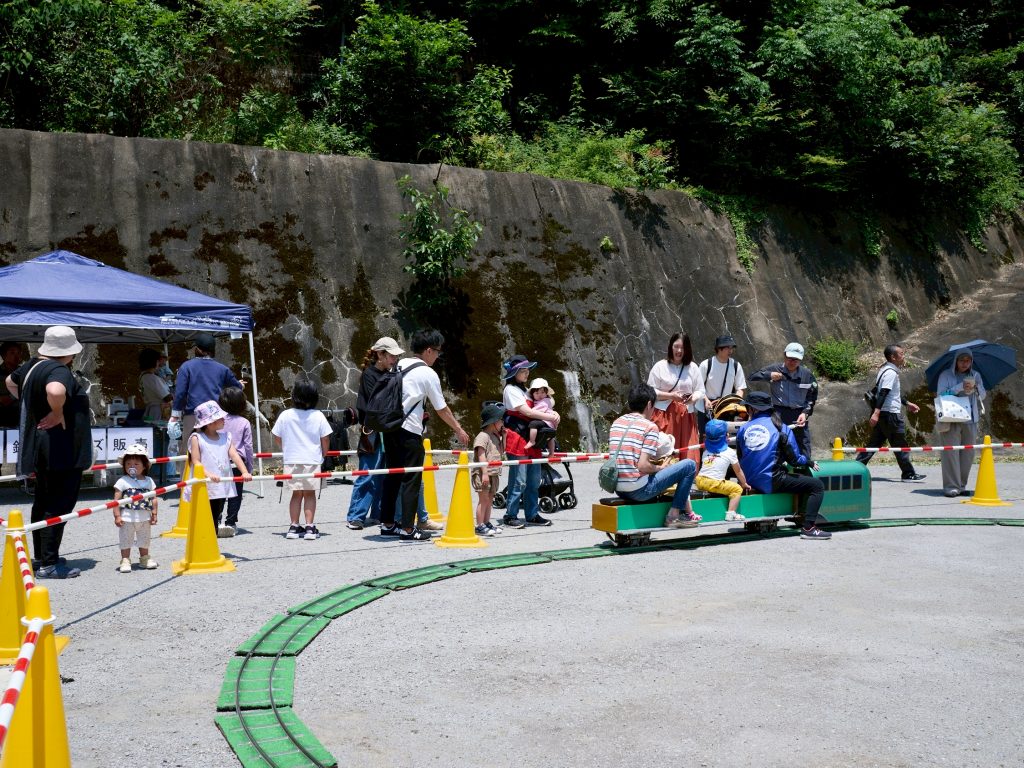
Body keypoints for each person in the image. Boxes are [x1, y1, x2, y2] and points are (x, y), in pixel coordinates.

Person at [6, 326, 93, 578]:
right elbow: (55, 391)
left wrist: (34, 406)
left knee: (43, 500)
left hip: (43, 446)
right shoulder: (58, 370)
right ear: (67, 352)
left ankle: (42, 556)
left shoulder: (31, 366)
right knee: (59, 503)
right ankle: (49, 564)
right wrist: (56, 412)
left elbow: (10, 382)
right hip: (61, 447)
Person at [380, 329, 469, 541]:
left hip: (389, 428)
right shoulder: (427, 373)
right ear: (429, 350)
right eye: (437, 352)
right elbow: (442, 408)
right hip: (409, 431)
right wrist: (458, 429)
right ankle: (408, 529)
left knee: (392, 475)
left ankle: (387, 524)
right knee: (412, 479)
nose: (438, 356)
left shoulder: (398, 365)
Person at [736, 391, 831, 540]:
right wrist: (809, 462)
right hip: (771, 480)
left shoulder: (743, 429)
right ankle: (808, 527)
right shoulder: (781, 428)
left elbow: (740, 457)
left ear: (753, 409)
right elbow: (795, 460)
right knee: (816, 486)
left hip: (748, 480)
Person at [609, 383, 699, 527]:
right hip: (638, 490)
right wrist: (661, 468)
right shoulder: (649, 427)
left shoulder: (617, 423)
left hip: (618, 488)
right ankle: (674, 515)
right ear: (649, 404)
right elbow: (643, 466)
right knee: (689, 465)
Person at [347, 338, 402, 530]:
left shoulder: (391, 373)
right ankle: (355, 516)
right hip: (372, 431)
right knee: (367, 474)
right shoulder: (369, 375)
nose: (394, 359)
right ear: (380, 354)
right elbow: (378, 402)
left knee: (383, 476)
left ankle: (378, 514)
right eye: (391, 355)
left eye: (396, 356)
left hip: (387, 429)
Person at [272, 380, 333, 540]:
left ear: (294, 396)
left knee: (296, 494)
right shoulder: (318, 415)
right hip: (312, 459)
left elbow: (276, 435)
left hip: (291, 460)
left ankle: (293, 526)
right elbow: (326, 438)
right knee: (310, 494)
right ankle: (309, 527)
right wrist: (323, 454)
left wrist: (286, 449)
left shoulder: (286, 415)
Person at [855, 345, 925, 483]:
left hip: (885, 414)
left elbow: (892, 394)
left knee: (873, 444)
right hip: (890, 415)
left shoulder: (885, 370)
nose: (903, 356)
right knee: (900, 444)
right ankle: (908, 474)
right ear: (893, 357)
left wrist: (907, 403)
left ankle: (855, 469)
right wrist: (876, 413)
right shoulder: (891, 373)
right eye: (901, 353)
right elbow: (883, 393)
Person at [502, 354, 557, 528]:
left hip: (532, 436)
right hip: (517, 436)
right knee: (519, 480)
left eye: (527, 370)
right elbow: (527, 412)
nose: (527, 373)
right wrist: (550, 417)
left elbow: (546, 401)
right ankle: (510, 515)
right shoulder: (510, 390)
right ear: (514, 373)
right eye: (523, 371)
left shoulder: (526, 390)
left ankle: (532, 514)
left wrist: (554, 413)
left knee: (534, 481)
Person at [186, 400, 252, 537]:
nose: (224, 419)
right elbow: (195, 461)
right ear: (210, 423)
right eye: (220, 417)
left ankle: (213, 541)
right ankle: (203, 541)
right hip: (204, 483)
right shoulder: (197, 438)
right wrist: (208, 474)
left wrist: (245, 471)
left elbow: (234, 455)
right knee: (204, 514)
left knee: (215, 513)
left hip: (220, 483)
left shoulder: (226, 437)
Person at [168, 332, 244, 440]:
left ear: (198, 349)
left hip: (193, 417)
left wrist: (175, 416)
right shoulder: (223, 369)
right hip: (216, 417)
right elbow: (236, 388)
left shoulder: (186, 367)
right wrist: (240, 385)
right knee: (216, 447)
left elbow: (180, 393)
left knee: (191, 448)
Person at [749, 342, 817, 460]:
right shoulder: (775, 368)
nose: (792, 362)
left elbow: (812, 397)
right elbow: (752, 376)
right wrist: (769, 375)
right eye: (790, 358)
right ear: (784, 355)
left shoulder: (807, 375)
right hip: (779, 413)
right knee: (778, 443)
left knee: (802, 444)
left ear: (800, 360)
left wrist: (805, 413)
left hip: (799, 414)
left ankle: (805, 466)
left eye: (796, 359)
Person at [934, 349, 987, 497]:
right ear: (956, 361)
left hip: (970, 419)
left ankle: (962, 485)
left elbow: (983, 396)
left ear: (971, 361)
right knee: (950, 453)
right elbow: (941, 394)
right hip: (951, 418)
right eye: (962, 360)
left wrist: (977, 388)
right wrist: (959, 387)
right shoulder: (945, 375)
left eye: (968, 360)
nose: (965, 363)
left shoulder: (975, 375)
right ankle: (951, 486)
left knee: (968, 453)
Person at [646, 333, 702, 463]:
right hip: (664, 414)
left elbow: (700, 390)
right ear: (670, 347)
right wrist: (671, 396)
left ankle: (687, 473)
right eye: (676, 346)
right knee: (664, 452)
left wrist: (692, 398)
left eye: (683, 347)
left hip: (686, 415)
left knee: (689, 453)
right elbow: (650, 391)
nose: (679, 350)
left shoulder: (692, 367)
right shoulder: (660, 366)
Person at [112, 444, 159, 573]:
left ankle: (144, 558)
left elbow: (154, 498)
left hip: (145, 518)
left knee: (144, 539)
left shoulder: (149, 481)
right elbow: (116, 500)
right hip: (127, 518)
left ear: (144, 466)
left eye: (136, 464)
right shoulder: (123, 481)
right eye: (128, 464)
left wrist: (154, 514)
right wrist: (117, 516)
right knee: (126, 540)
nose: (131, 466)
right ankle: (125, 560)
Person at [695, 419, 751, 521]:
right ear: (726, 436)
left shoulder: (706, 451)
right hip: (714, 483)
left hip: (699, 480)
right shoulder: (730, 452)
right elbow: (738, 471)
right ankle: (731, 513)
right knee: (737, 489)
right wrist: (744, 483)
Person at [219, 386, 253, 535]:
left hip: (219, 462)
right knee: (236, 494)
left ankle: (216, 521)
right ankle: (231, 522)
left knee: (219, 493)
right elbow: (248, 446)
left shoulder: (218, 421)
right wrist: (249, 468)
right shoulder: (244, 422)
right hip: (238, 464)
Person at [696, 335, 747, 436]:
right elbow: (698, 387)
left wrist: (735, 403)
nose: (730, 351)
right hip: (707, 406)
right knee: (706, 436)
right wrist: (706, 400)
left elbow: (740, 388)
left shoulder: (736, 365)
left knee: (724, 436)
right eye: (728, 348)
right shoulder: (706, 364)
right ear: (719, 348)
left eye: (731, 348)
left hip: (726, 407)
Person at [473, 401, 506, 537]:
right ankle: (479, 525)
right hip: (483, 473)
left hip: (494, 472)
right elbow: (481, 454)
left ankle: (486, 522)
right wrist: (485, 473)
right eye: (500, 420)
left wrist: (504, 437)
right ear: (493, 422)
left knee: (490, 499)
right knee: (483, 499)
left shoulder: (495, 436)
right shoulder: (483, 436)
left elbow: (502, 451)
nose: (502, 422)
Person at [138, 348, 172, 422]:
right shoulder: (153, 378)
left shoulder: (143, 376)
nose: (159, 363)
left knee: (151, 425)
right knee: (157, 427)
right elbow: (167, 397)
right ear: (153, 361)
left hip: (150, 409)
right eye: (158, 360)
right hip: (158, 410)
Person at [525, 377, 557, 453]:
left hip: (547, 421)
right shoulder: (543, 400)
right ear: (532, 394)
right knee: (551, 437)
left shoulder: (544, 401)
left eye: (542, 392)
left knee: (533, 424)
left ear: (546, 393)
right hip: (550, 423)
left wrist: (528, 411)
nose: (540, 395)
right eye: (537, 393)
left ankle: (532, 441)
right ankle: (552, 452)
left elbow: (536, 411)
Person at [0, 341, 24, 428]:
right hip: (3, 416)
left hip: (21, 416)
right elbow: (3, 400)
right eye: (12, 353)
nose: (17, 356)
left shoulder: (24, 372)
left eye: (18, 353)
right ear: (3, 355)